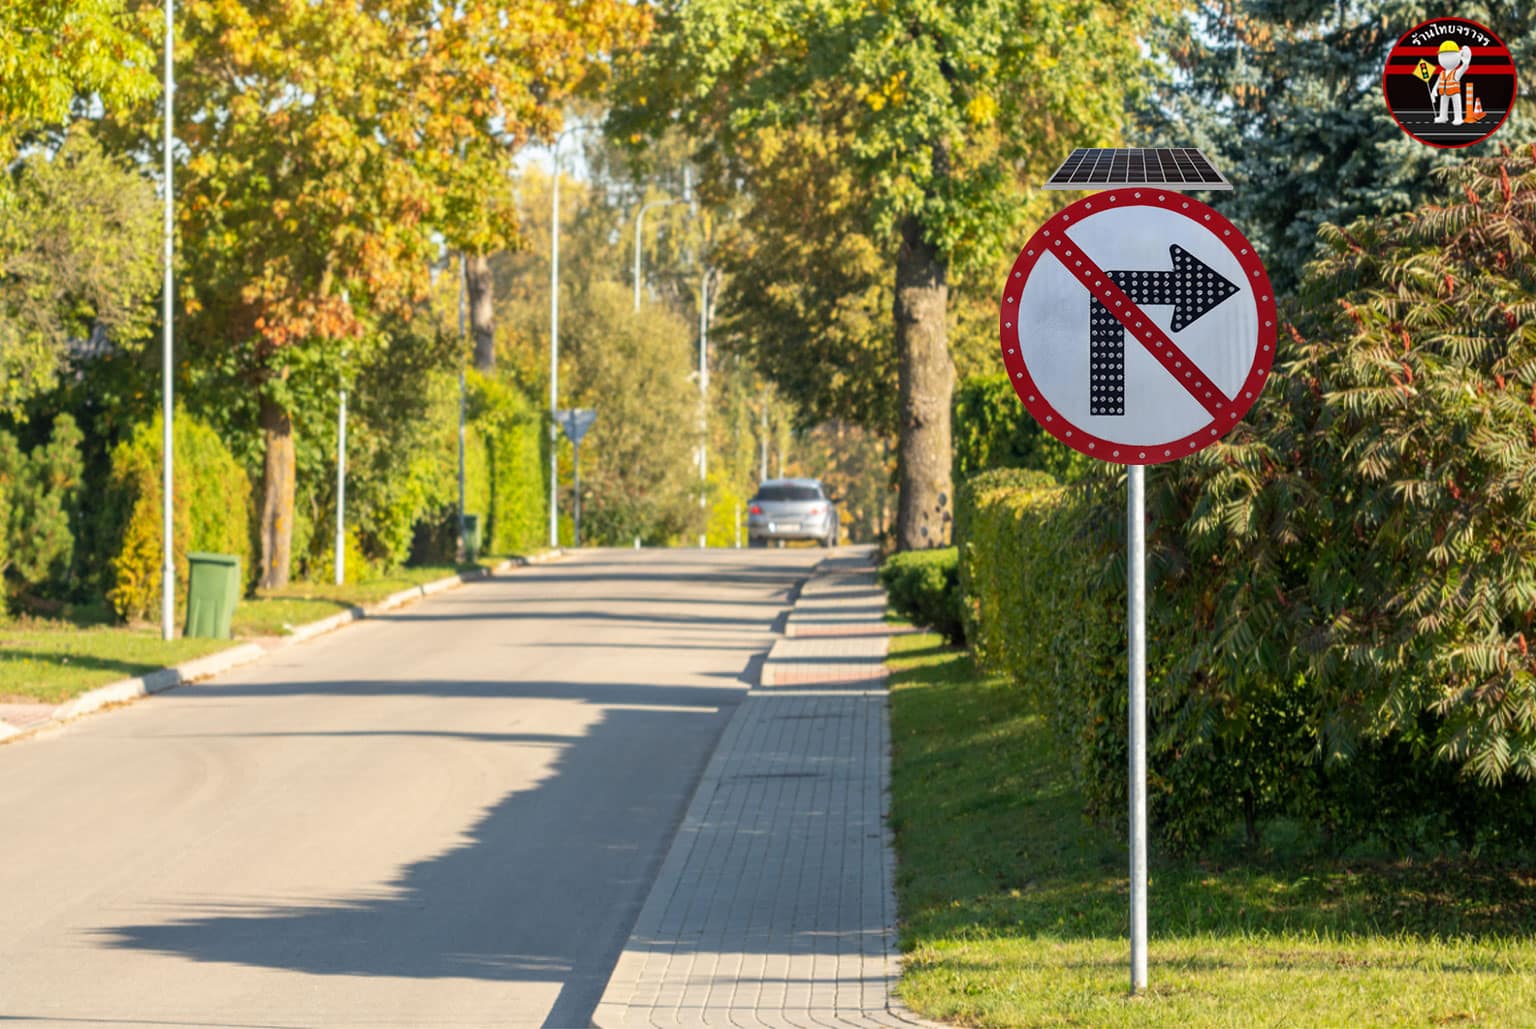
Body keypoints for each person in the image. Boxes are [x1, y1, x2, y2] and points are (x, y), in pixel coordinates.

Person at [1433, 40, 1472, 125]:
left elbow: (1464, 68)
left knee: (1456, 105)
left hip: (1454, 92)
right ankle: (1443, 116)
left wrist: (1465, 62)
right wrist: (1434, 90)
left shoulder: (1456, 72)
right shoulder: (1442, 73)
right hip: (1443, 92)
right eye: (1443, 56)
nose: (1446, 58)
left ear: (1458, 56)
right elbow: (1438, 81)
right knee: (1443, 105)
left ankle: (1458, 118)